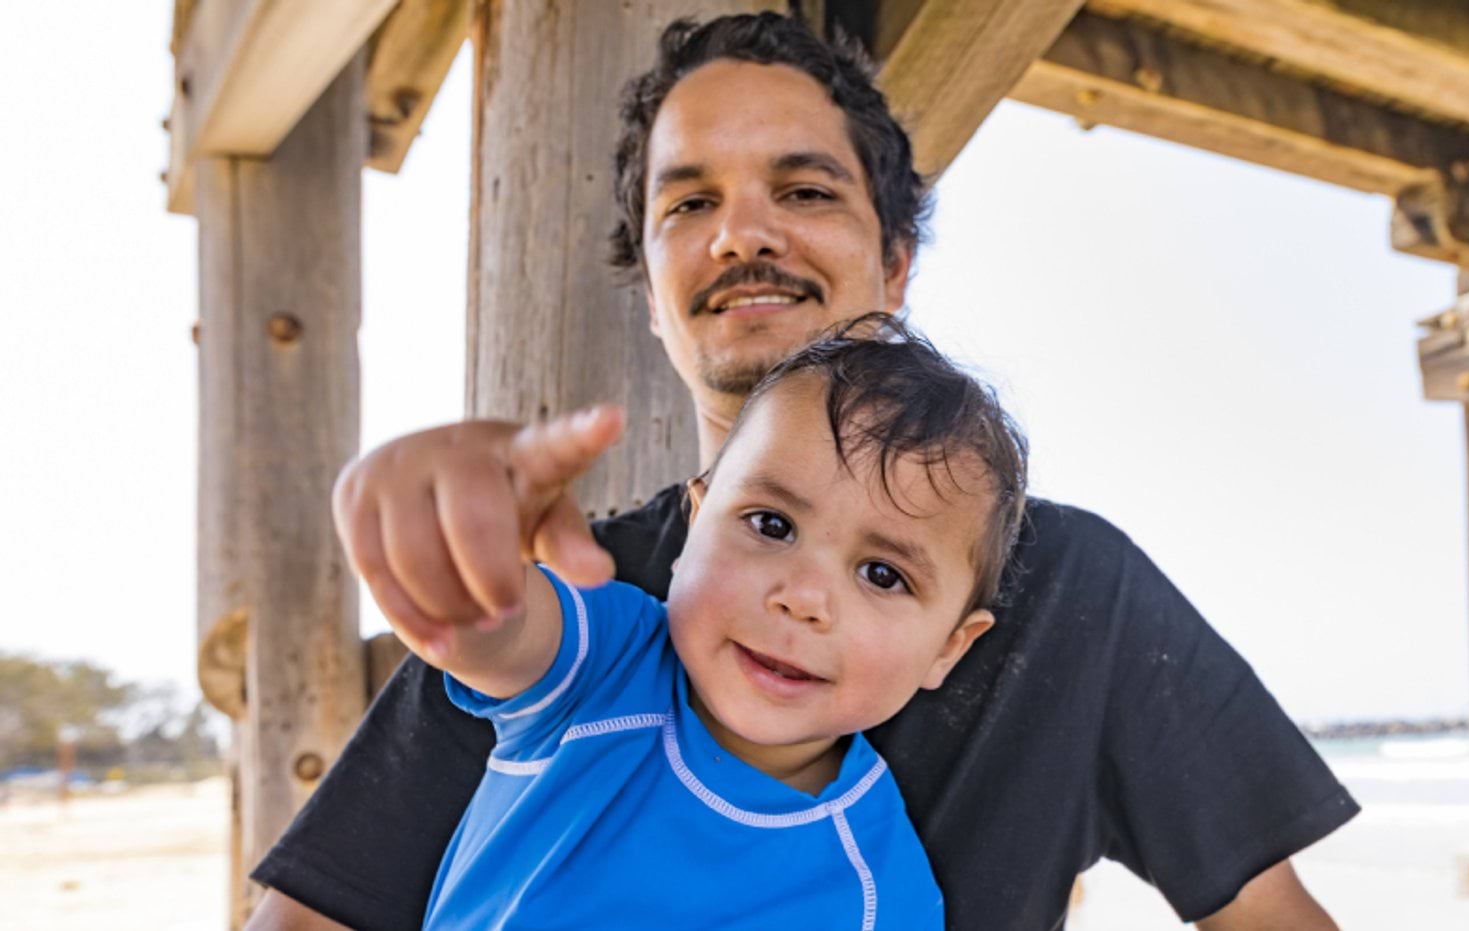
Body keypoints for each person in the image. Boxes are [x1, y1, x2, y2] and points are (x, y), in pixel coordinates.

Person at [249, 13, 1357, 930]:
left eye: (807, 190)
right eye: (688, 203)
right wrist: (441, 548)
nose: (742, 233)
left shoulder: (1075, 589)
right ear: (650, 287)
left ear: (895, 261)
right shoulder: (582, 604)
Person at [411, 320, 1026, 929]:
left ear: (948, 648)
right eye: (771, 525)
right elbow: (488, 620)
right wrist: (446, 523)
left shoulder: (884, 899)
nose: (804, 599)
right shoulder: (606, 662)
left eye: (883, 575)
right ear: (692, 524)